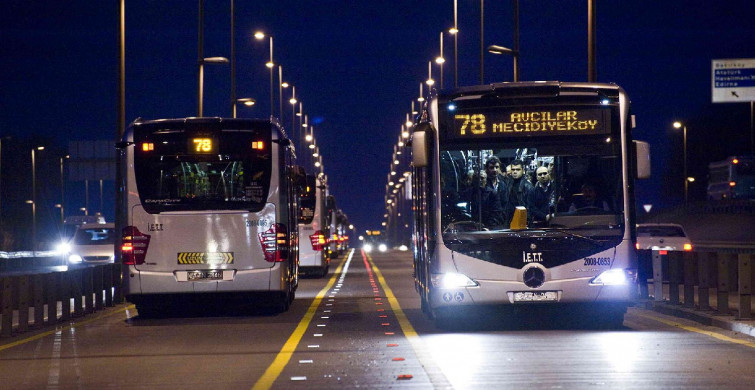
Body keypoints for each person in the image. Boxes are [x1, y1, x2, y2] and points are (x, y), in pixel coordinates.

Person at [503, 159, 534, 226]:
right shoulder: (508, 183)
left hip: (523, 220)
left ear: (523, 170)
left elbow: (530, 207)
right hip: (510, 219)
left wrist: (527, 221)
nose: (515, 172)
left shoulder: (528, 186)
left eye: (518, 169)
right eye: (513, 169)